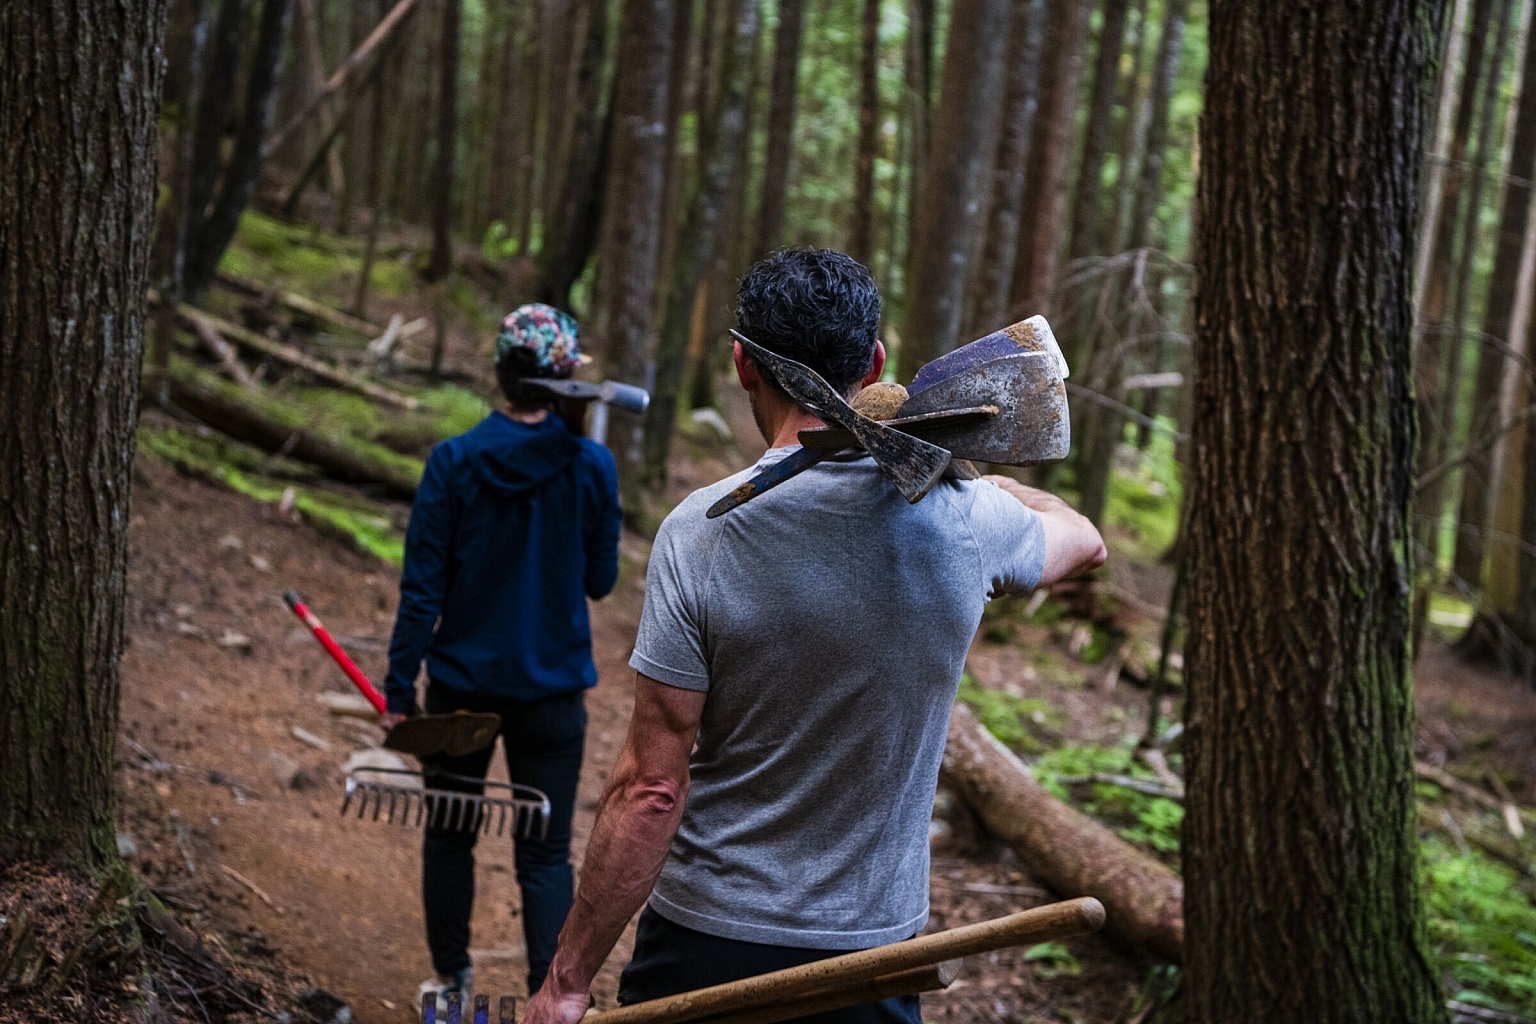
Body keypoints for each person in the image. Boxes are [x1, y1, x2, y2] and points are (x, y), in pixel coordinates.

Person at [520, 249, 1106, 1024]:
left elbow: (652, 789)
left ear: (741, 366)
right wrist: (988, 485)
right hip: (874, 961)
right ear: (874, 361)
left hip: (706, 947)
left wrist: (567, 982)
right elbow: (1082, 538)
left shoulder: (700, 534)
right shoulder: (968, 524)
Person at [383, 303, 622, 1009]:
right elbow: (599, 582)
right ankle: (548, 1002)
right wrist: (578, 452)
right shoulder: (591, 466)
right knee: (544, 856)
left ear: (500, 374)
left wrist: (399, 690)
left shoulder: (453, 462)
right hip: (551, 698)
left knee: (450, 836)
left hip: (460, 692)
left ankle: (452, 985)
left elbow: (422, 591)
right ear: (566, 383)